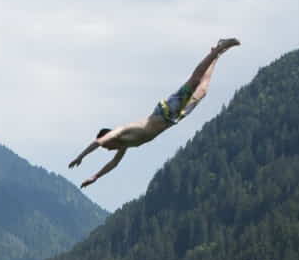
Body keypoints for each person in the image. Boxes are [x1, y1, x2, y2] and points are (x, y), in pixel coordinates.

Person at [67, 39, 241, 189]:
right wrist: (95, 177)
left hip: (165, 112)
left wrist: (80, 157)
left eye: (107, 147)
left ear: (109, 137)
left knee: (194, 81)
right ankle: (216, 54)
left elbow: (98, 142)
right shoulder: (124, 145)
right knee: (202, 90)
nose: (108, 150)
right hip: (172, 120)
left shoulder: (121, 131)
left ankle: (219, 48)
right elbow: (113, 164)